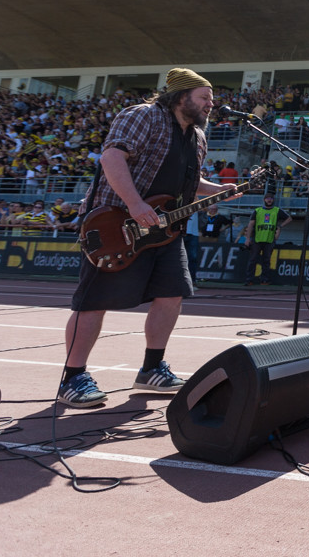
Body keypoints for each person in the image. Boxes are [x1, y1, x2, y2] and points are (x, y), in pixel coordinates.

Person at [59, 68, 237, 408]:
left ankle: (152, 368)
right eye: (204, 97)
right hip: (115, 224)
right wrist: (135, 204)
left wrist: (219, 190)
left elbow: (191, 180)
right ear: (181, 96)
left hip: (165, 230)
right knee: (94, 302)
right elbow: (112, 157)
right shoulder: (144, 116)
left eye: (211, 99)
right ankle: (72, 376)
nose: (210, 104)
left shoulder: (197, 137)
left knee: (172, 295)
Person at [243, 194, 293, 286]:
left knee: (266, 261)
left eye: (270, 199)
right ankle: (249, 279)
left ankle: (264, 280)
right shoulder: (258, 211)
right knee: (253, 260)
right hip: (257, 239)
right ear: (264, 200)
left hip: (269, 239)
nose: (269, 200)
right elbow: (250, 224)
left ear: (273, 200)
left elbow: (289, 218)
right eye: (267, 199)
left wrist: (280, 226)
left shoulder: (277, 210)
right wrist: (247, 238)